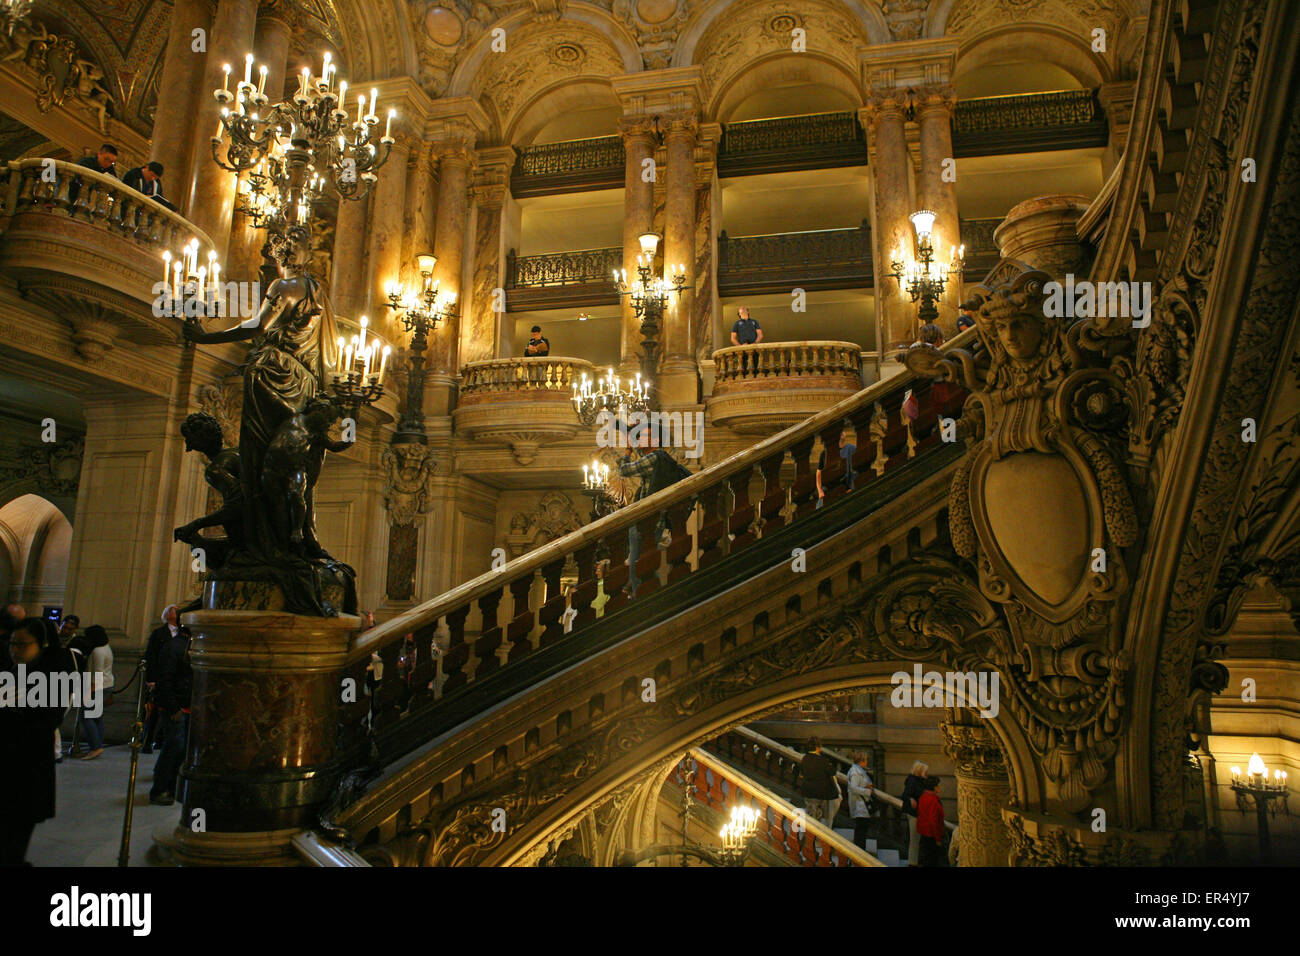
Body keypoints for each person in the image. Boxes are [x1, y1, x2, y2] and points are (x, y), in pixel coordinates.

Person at [1, 617, 72, 865]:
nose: (14, 649)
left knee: (17, 828)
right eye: (12, 643)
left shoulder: (54, 676)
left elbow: (46, 721)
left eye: (22, 644)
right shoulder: (11, 671)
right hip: (9, 762)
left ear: (41, 644)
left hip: (28, 764)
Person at [617, 419, 691, 597]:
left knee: (638, 554)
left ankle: (637, 589)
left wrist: (627, 450)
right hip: (658, 517)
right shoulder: (659, 458)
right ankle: (644, 586)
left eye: (645, 436)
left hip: (648, 517)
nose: (640, 439)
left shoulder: (654, 457)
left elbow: (625, 470)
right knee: (649, 554)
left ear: (656, 441)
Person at [149, 623, 193, 806]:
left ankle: (171, 786)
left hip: (185, 705)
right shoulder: (175, 647)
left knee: (180, 749)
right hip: (176, 707)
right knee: (173, 747)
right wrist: (174, 708)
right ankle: (160, 789)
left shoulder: (187, 645)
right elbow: (165, 679)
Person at [142, 605, 179, 755]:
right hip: (159, 678)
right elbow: (150, 657)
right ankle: (147, 741)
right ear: (168, 615)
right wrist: (150, 679)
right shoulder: (158, 634)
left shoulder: (183, 633)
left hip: (175, 679)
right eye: (175, 610)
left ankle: (161, 740)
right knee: (154, 712)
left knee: (170, 712)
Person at [76, 625, 113, 760]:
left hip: (98, 686)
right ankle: (97, 745)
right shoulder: (105, 647)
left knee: (86, 716)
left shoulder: (97, 651)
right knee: (96, 716)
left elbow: (97, 673)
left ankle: (95, 747)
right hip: (106, 684)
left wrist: (89, 692)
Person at [798, 737, 840, 828]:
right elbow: (832, 772)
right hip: (821, 793)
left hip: (808, 792)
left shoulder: (804, 759)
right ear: (817, 747)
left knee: (810, 816)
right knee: (823, 817)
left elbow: (801, 774)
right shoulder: (823, 760)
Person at [815, 425, 856, 509]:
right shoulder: (825, 453)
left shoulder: (849, 449)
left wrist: (849, 487)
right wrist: (819, 490)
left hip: (843, 488)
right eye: (841, 434)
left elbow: (850, 469)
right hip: (828, 491)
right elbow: (818, 472)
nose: (843, 435)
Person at [901, 760, 929, 866]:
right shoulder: (912, 781)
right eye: (925, 771)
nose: (927, 774)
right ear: (920, 771)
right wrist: (910, 799)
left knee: (917, 839)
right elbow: (905, 795)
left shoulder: (919, 781)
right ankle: (913, 862)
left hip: (919, 813)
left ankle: (915, 861)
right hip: (914, 814)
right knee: (914, 839)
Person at [846, 751, 875, 850]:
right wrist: (867, 791)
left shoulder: (859, 771)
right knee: (860, 834)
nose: (867, 762)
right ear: (861, 761)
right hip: (859, 807)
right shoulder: (855, 772)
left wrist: (865, 786)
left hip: (862, 806)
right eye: (866, 760)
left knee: (862, 833)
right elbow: (853, 788)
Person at [916, 775, 946, 866]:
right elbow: (934, 821)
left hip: (924, 833)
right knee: (932, 861)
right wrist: (938, 839)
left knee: (925, 860)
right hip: (931, 835)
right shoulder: (933, 799)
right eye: (938, 785)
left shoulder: (923, 796)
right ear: (934, 787)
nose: (939, 787)